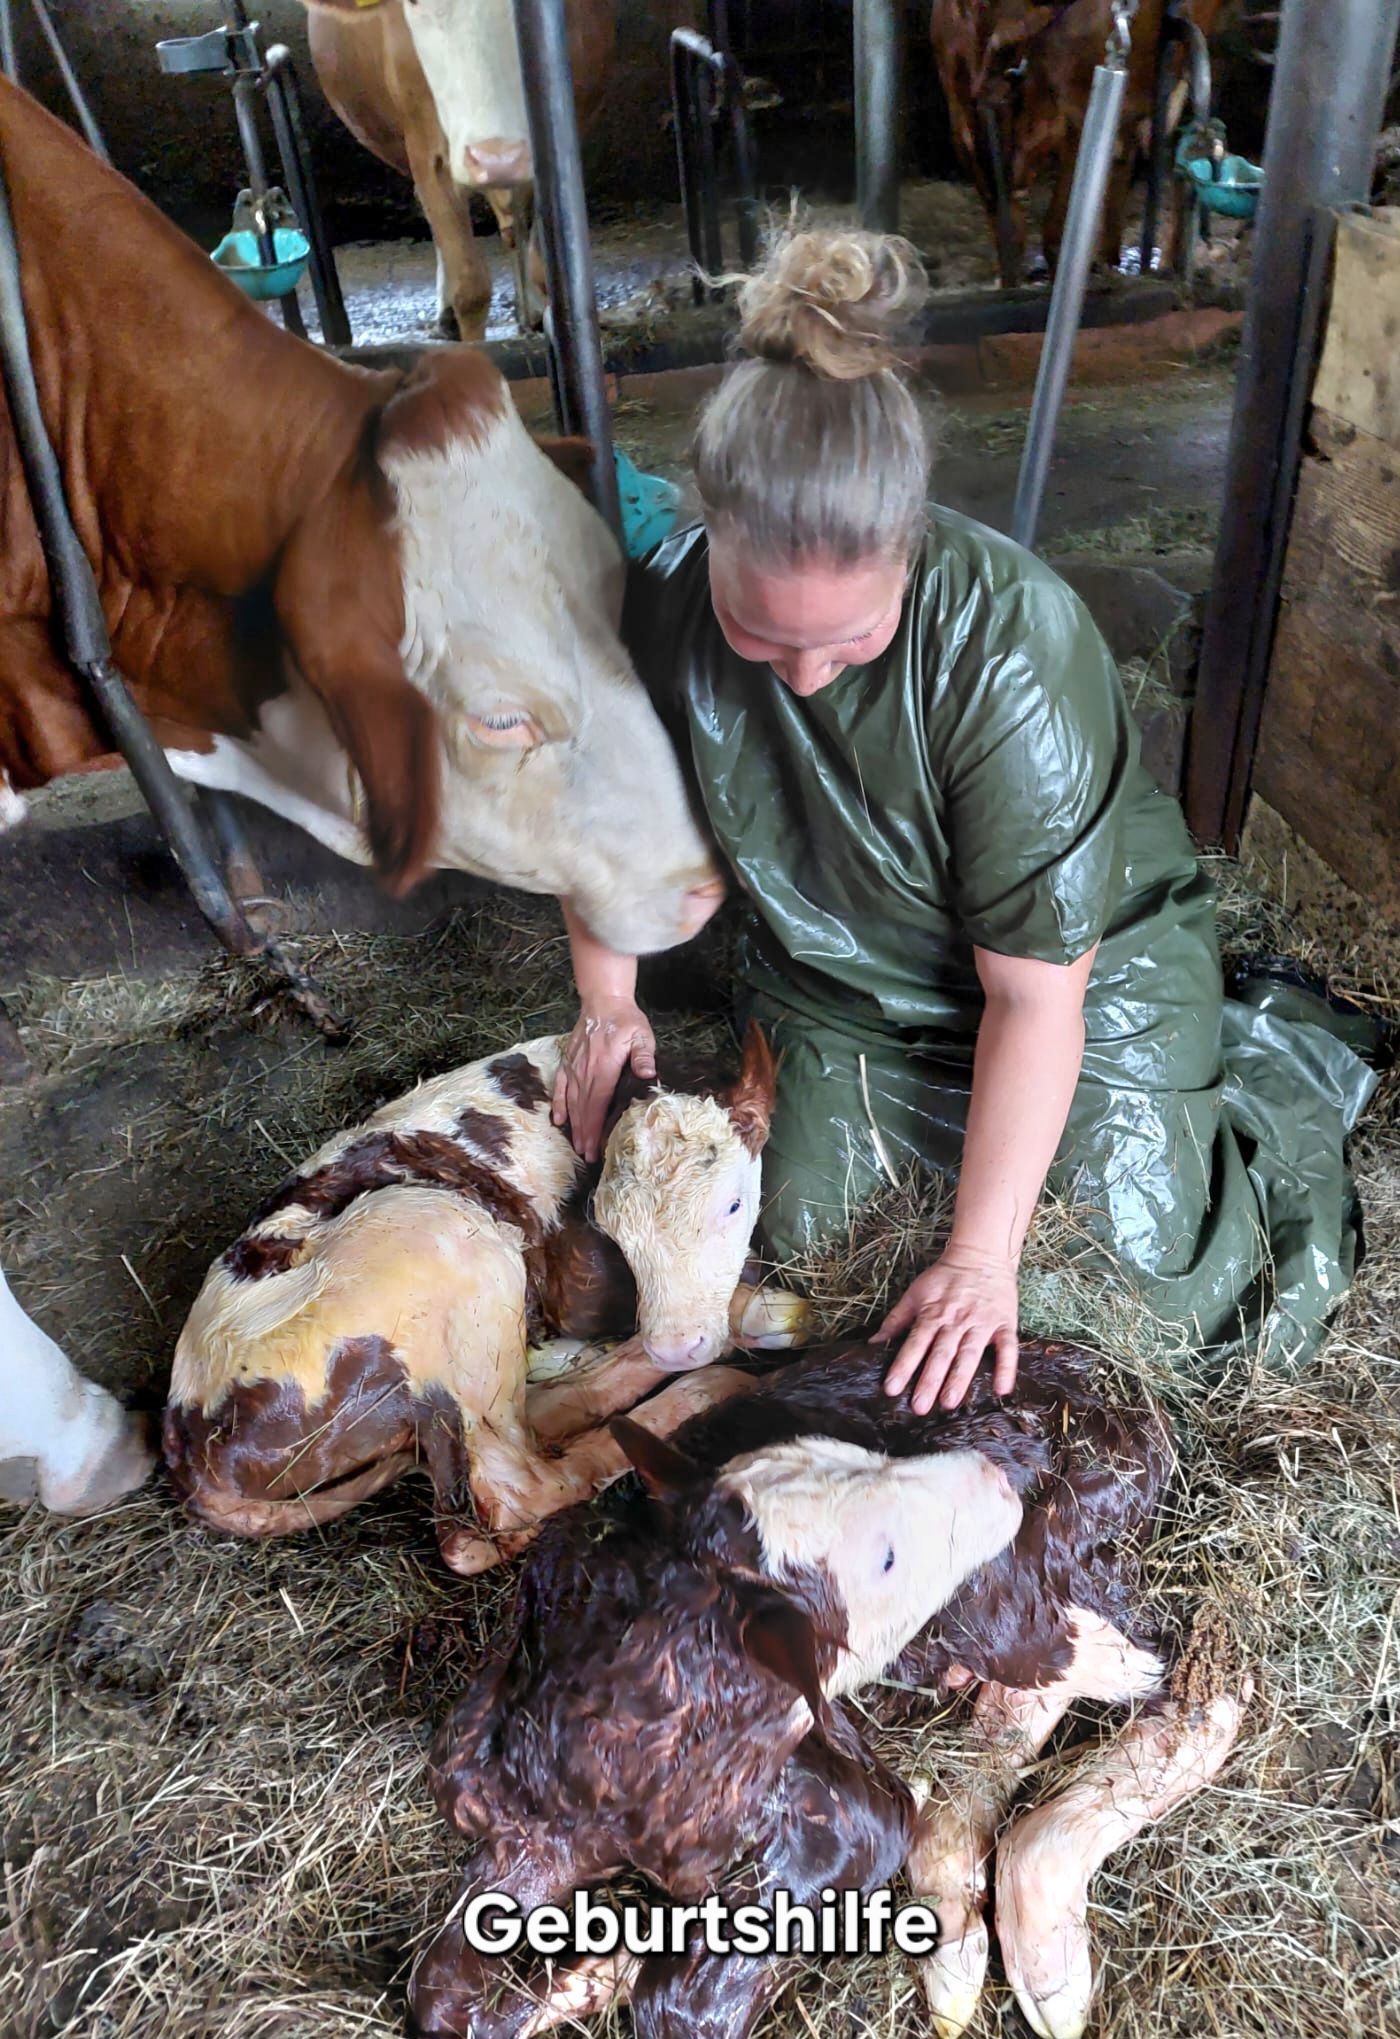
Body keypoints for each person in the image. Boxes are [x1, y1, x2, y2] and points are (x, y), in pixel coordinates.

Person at [553, 226, 1376, 1415]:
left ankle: (1260, 1067)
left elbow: (1034, 993)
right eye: (759, 633)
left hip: (1076, 970)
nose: (801, 678)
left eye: (849, 640)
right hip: (843, 971)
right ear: (708, 532)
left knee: (1127, 1284)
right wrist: (608, 999)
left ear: (909, 546)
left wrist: (981, 1261)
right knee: (806, 1238)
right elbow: (604, 820)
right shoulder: (666, 606)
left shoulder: (1007, 648)